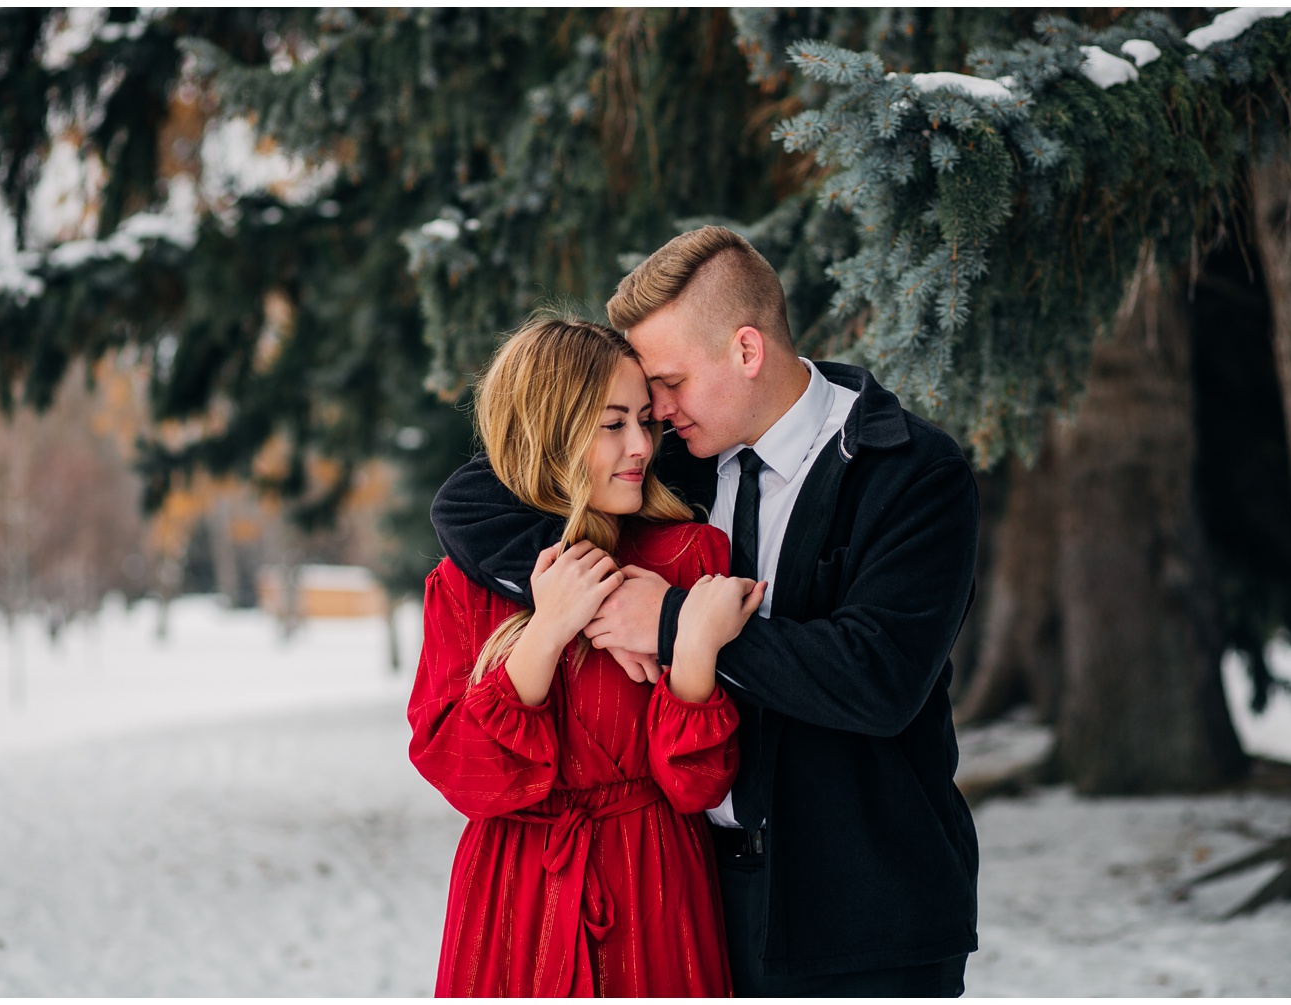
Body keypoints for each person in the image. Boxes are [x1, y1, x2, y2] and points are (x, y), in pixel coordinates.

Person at [431, 227, 981, 996]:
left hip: (862, 913)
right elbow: (471, 498)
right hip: (696, 908)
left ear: (747, 351)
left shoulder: (908, 471)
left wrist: (674, 626)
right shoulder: (670, 460)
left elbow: (878, 679)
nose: (653, 412)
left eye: (670, 381)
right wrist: (596, 596)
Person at [408, 315, 767, 997]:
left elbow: (699, 785)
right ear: (549, 430)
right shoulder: (465, 581)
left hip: (653, 890)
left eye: (645, 421)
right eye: (611, 424)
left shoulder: (691, 556)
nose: (640, 446)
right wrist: (546, 633)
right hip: (511, 900)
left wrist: (688, 650)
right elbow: (465, 777)